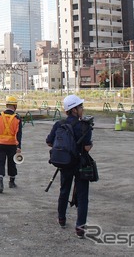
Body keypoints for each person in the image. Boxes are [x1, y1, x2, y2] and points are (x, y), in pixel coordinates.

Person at [46, 94, 93, 239]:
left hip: (65, 163)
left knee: (64, 190)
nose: (82, 109)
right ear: (74, 109)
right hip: (80, 164)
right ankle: (80, 227)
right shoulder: (85, 126)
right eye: (80, 106)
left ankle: (61, 218)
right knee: (83, 195)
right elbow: (86, 148)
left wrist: (64, 149)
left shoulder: (59, 124)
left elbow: (49, 142)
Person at [0, 96, 22, 193]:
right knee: (12, 163)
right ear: (15, 106)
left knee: (0, 163)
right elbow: (19, 134)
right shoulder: (17, 118)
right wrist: (19, 147)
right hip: (12, 144)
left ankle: (0, 183)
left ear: (6, 105)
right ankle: (11, 182)